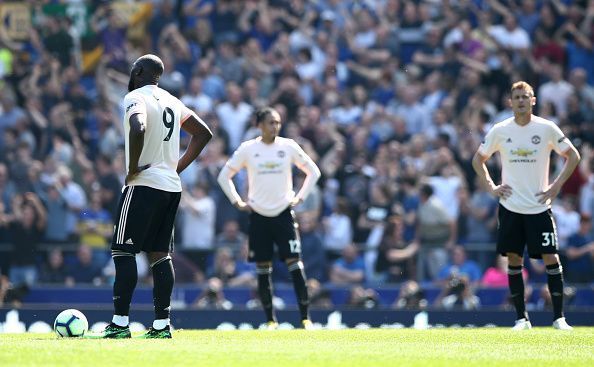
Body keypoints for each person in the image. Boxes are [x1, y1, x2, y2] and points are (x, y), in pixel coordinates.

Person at [102, 54, 213, 339]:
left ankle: (120, 324)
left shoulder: (134, 97)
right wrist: (176, 167)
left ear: (138, 71)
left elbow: (138, 126)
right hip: (170, 187)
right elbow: (203, 134)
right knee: (160, 256)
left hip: (143, 183)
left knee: (123, 250)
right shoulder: (173, 101)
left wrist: (133, 166)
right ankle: (162, 325)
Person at [472, 81, 580, 331]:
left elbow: (573, 155)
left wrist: (556, 186)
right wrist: (491, 186)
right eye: (516, 97)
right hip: (511, 206)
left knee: (551, 257)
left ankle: (559, 318)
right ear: (510, 101)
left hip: (539, 206)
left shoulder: (546, 128)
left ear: (533, 100)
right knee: (514, 259)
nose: (521, 100)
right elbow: (478, 159)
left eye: (525, 96)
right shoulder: (500, 130)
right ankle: (521, 319)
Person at [217, 107, 321, 330]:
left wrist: (300, 198)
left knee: (295, 265)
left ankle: (305, 318)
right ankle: (270, 320)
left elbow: (314, 171)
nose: (275, 126)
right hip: (259, 216)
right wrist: (237, 201)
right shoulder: (248, 149)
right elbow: (224, 176)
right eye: (271, 122)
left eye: (278, 122)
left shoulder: (288, 146)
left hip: (284, 214)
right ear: (259, 125)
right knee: (263, 270)